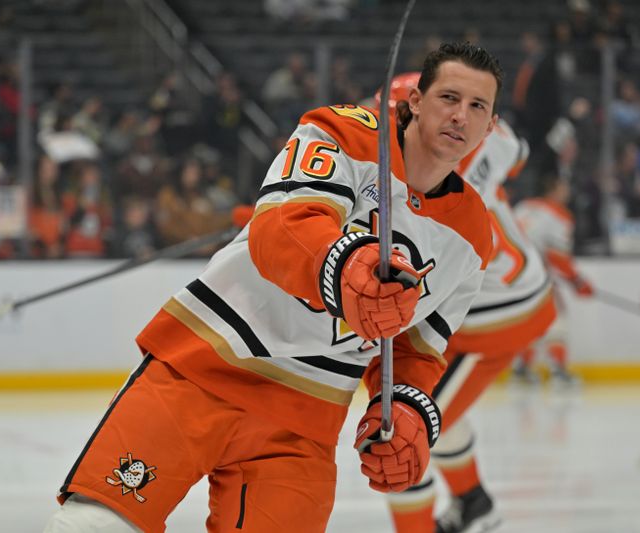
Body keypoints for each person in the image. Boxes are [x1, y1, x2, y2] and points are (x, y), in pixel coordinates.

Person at [44, 42, 501, 533]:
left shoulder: (474, 238)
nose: (460, 116)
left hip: (304, 420)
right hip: (206, 367)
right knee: (93, 527)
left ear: (490, 127)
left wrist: (405, 408)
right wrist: (346, 266)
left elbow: (418, 347)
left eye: (477, 107)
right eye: (449, 98)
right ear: (415, 102)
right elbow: (281, 228)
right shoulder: (344, 132)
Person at [375, 74, 557, 533]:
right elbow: (517, 154)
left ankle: (454, 515)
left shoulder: (422, 182)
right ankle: (475, 506)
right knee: (431, 408)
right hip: (506, 292)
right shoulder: (485, 135)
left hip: (493, 316)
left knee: (397, 429)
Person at [512, 174, 594, 385]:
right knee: (557, 317)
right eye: (564, 187)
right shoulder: (559, 214)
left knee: (529, 320)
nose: (567, 192)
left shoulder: (523, 206)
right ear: (554, 189)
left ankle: (522, 368)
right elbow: (557, 256)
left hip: (511, 273)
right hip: (537, 274)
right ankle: (558, 370)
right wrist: (578, 282)